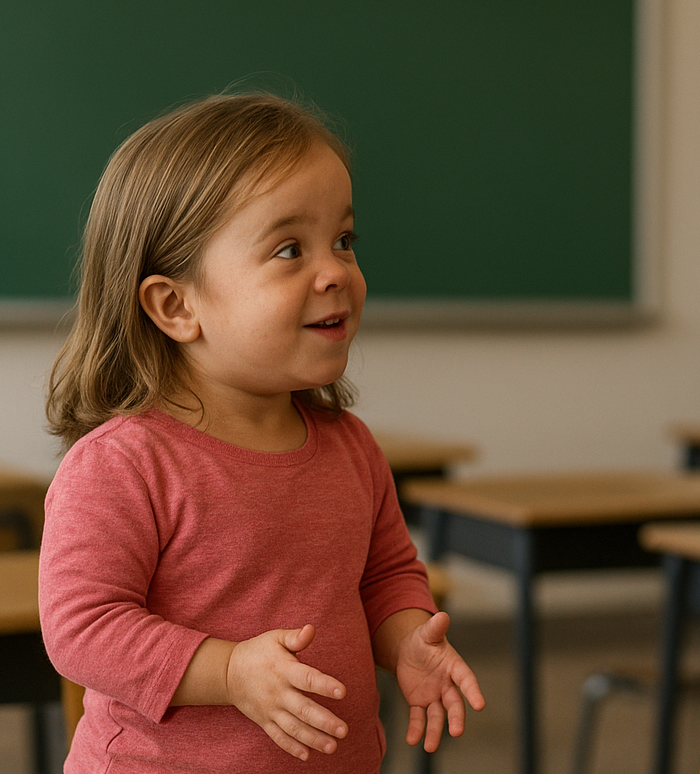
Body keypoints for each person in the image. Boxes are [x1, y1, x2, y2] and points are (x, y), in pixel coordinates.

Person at [40, 93, 483, 773]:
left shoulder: (351, 446)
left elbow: (386, 575)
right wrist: (229, 671)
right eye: (288, 249)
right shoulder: (123, 462)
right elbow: (82, 627)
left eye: (343, 240)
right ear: (176, 305)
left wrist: (406, 638)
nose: (335, 271)